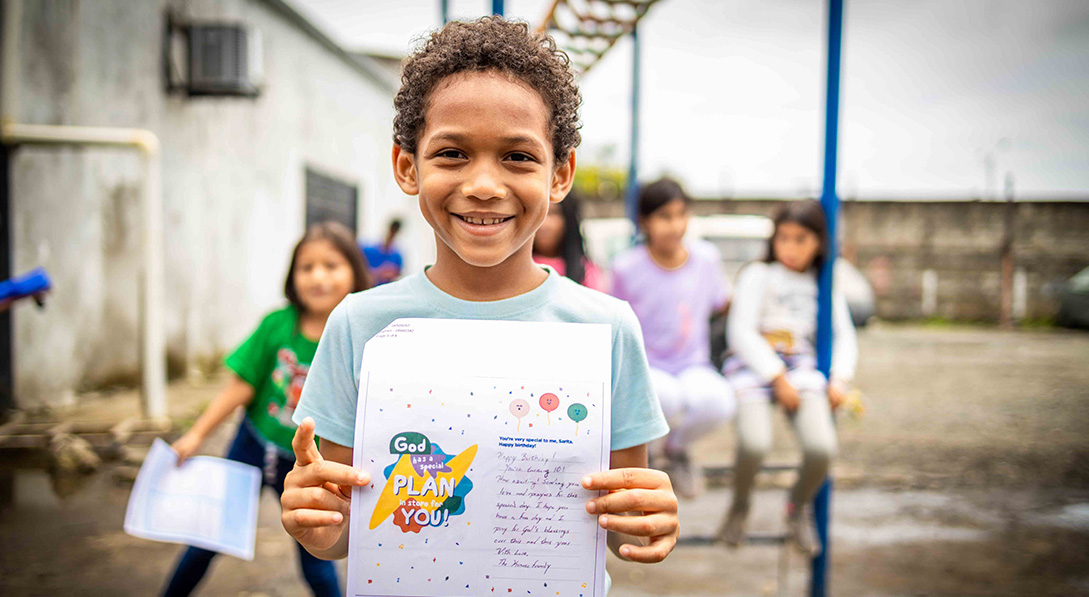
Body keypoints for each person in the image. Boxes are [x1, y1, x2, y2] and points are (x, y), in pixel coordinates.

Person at [280, 17, 680, 592]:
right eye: (452, 153)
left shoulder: (606, 329)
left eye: (518, 156)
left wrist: (648, 519)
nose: (485, 184)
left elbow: (616, 526)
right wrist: (317, 524)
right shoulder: (359, 325)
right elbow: (346, 530)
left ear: (561, 173)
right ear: (407, 167)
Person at [162, 222, 371, 597]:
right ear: (293, 277)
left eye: (331, 265)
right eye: (307, 267)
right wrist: (196, 434)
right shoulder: (276, 325)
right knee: (208, 538)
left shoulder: (362, 337)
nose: (318, 277)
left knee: (317, 556)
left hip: (309, 464)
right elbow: (241, 386)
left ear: (355, 272)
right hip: (252, 444)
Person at [716, 199, 857, 556]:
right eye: (784, 238)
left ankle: (797, 508)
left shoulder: (823, 282)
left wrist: (840, 378)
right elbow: (741, 332)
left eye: (801, 239)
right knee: (754, 444)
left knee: (821, 448)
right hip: (755, 369)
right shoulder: (757, 275)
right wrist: (776, 377)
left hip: (803, 372)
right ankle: (741, 504)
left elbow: (844, 335)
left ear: (819, 243)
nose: (791, 248)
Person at [610, 178, 736, 498]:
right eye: (665, 216)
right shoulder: (627, 267)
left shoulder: (706, 259)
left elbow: (722, 302)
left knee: (718, 401)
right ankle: (649, 457)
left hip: (694, 364)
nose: (675, 225)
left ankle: (674, 450)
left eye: (681, 214)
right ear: (645, 221)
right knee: (664, 397)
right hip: (649, 366)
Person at [532, 189, 608, 292]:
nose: (545, 224)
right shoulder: (513, 271)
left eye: (553, 214)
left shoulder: (587, 273)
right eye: (539, 213)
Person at [361, 218, 405, 285]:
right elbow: (360, 271)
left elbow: (398, 275)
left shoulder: (397, 256)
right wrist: (380, 273)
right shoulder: (367, 250)